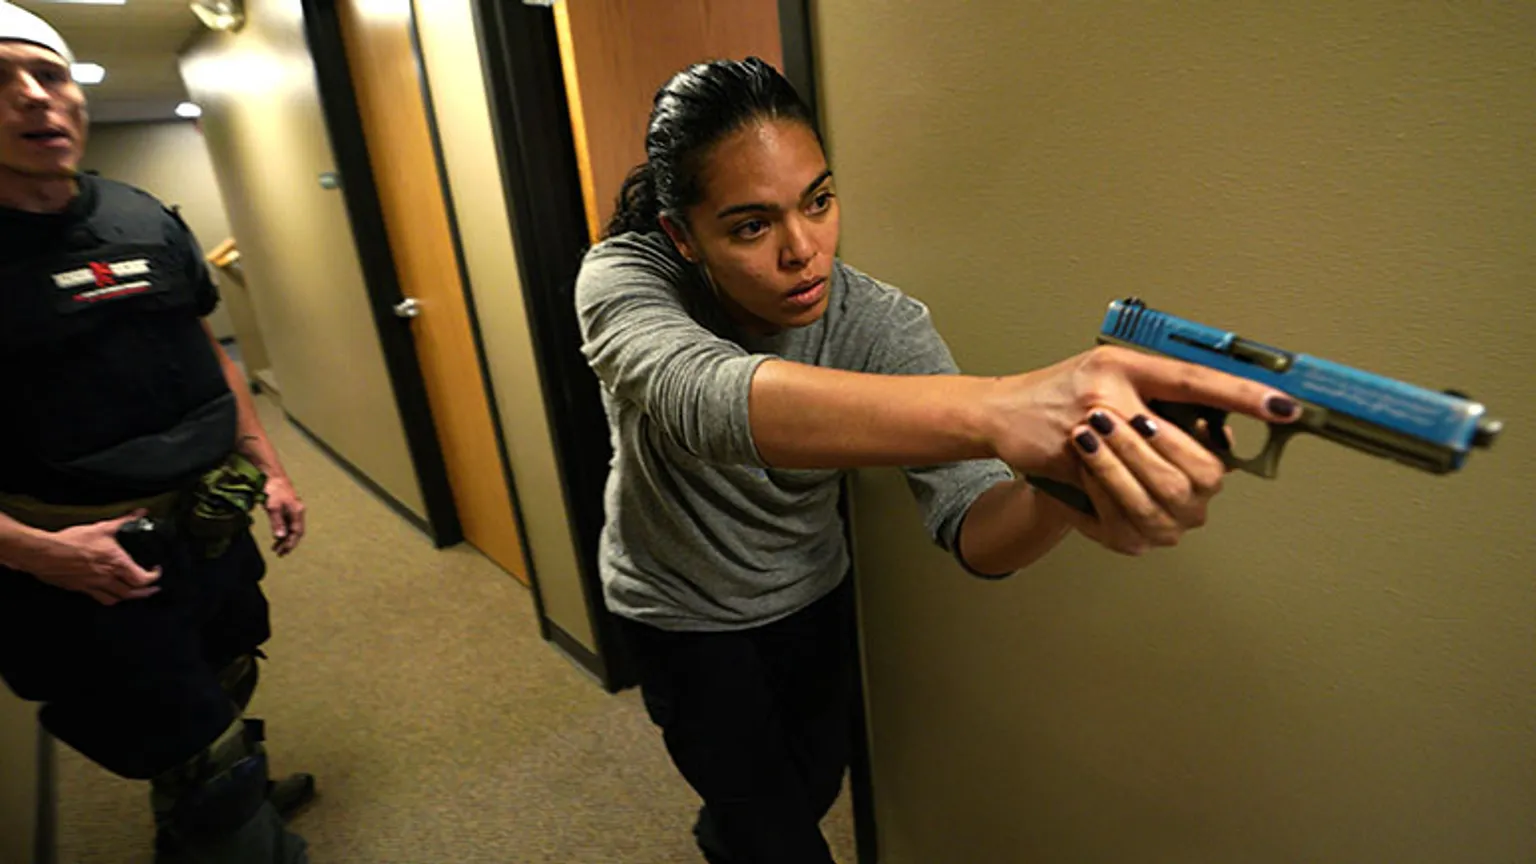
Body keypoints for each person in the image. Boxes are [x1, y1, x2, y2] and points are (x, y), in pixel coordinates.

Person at [575, 57, 1301, 863]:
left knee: (809, 787)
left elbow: (977, 531)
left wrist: (1063, 485)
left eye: (818, 202)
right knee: (772, 835)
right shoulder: (624, 278)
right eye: (752, 226)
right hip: (677, 609)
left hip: (808, 591)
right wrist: (1000, 409)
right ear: (683, 236)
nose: (803, 251)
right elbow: (706, 400)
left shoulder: (879, 325)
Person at [0, 6, 313, 862]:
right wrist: (36, 552)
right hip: (83, 560)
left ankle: (210, 805)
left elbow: (206, 351)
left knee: (226, 669)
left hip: (208, 524)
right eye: (1, 82)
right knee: (177, 731)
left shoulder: (140, 217)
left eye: (49, 74)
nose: (35, 97)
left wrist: (269, 468)